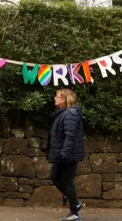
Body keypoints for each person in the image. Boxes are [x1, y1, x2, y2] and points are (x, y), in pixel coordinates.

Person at [47, 89, 85, 221]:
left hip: (68, 155)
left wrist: (64, 153)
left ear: (65, 99)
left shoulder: (70, 114)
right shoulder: (63, 113)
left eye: (57, 97)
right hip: (62, 153)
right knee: (55, 177)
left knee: (67, 181)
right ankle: (76, 203)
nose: (54, 99)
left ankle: (74, 213)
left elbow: (70, 136)